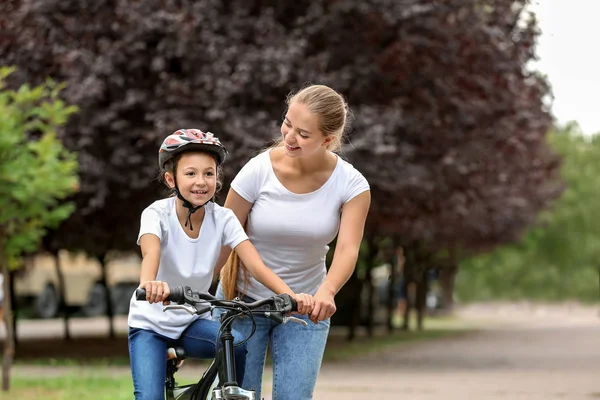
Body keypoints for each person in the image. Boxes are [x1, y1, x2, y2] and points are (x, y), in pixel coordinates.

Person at [127, 129, 313, 400]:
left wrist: (290, 296)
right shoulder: (156, 214)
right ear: (171, 179)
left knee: (235, 344)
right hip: (151, 325)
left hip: (191, 321)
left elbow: (256, 265)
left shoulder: (224, 218)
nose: (201, 182)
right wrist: (149, 284)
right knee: (149, 397)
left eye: (209, 173)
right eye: (190, 173)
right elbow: (151, 254)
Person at [215, 85, 371, 399]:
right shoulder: (258, 171)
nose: (288, 136)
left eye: (302, 133)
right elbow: (224, 238)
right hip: (245, 302)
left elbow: (348, 249)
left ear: (327, 140)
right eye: (287, 124)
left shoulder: (351, 184)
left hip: (307, 307)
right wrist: (193, 294)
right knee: (238, 397)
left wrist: (327, 292)